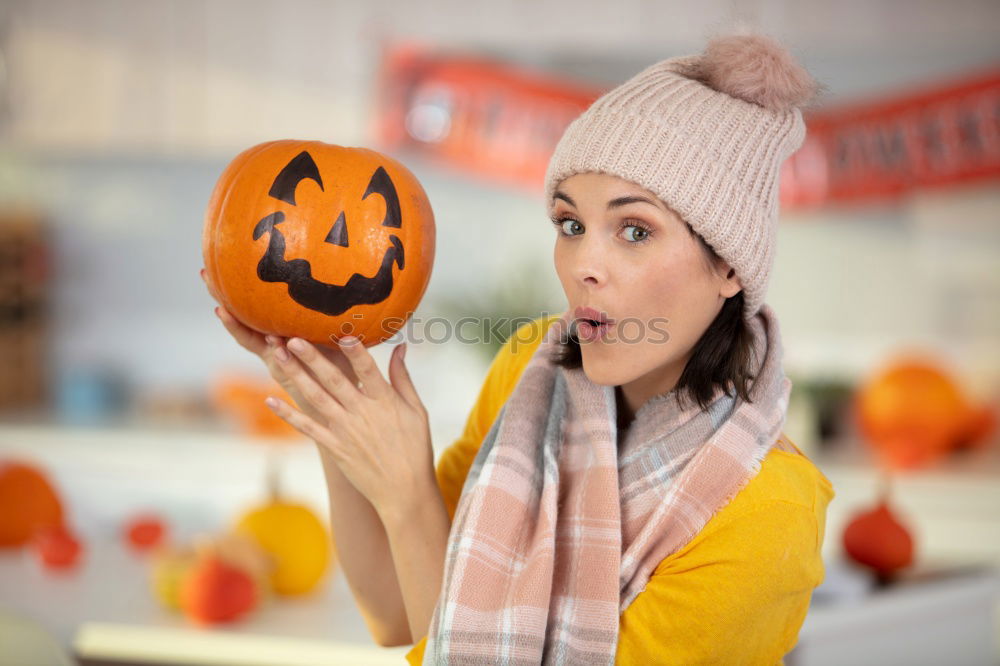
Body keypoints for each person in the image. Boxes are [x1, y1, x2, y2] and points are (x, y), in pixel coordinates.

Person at [203, 30, 834, 665]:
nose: (584, 264)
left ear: (729, 266)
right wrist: (332, 402)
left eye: (635, 230)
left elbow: (431, 616)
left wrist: (409, 495)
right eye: (571, 224)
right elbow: (396, 612)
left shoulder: (766, 513)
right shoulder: (531, 371)